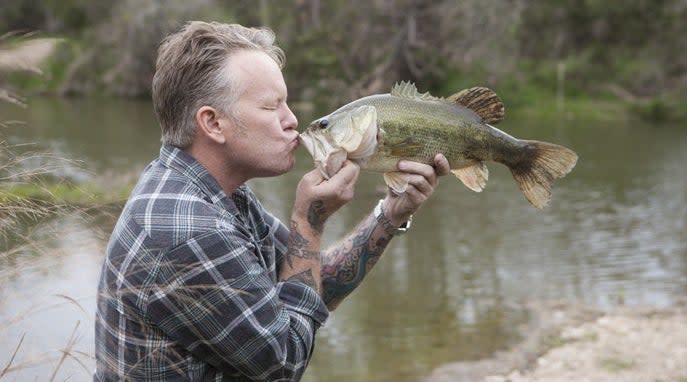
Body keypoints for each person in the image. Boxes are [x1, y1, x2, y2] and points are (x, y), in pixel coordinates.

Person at [94, 21, 450, 381]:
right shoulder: (189, 230)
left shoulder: (217, 193)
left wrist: (389, 215)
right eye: (271, 106)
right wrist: (309, 222)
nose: (292, 120)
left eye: (287, 103)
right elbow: (283, 362)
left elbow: (306, 279)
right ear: (213, 123)